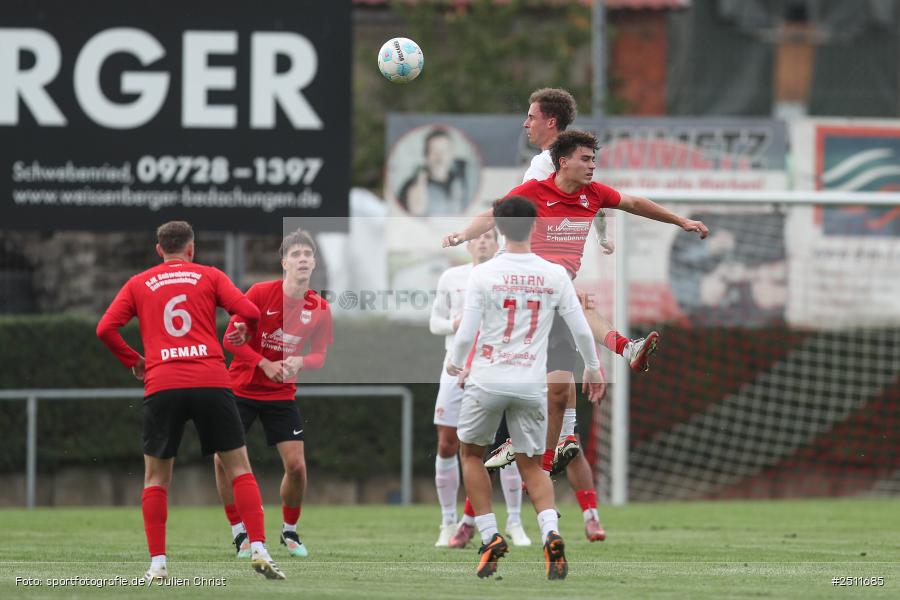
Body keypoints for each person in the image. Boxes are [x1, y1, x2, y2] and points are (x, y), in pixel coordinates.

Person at [442, 129, 709, 538]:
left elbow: (634, 203)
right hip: (531, 297)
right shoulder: (533, 190)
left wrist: (681, 220)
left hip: (557, 298)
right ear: (563, 160)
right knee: (571, 335)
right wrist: (463, 234)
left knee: (558, 387)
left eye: (593, 159)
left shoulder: (594, 194)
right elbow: (496, 213)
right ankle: (492, 503)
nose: (592, 165)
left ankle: (544, 467)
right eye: (586, 159)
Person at [95, 221, 285, 581]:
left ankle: (158, 564)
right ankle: (258, 548)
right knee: (240, 468)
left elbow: (105, 328)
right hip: (211, 381)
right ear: (192, 249)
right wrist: (246, 328)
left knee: (156, 478)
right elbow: (252, 313)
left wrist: (134, 360)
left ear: (159, 250)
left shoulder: (139, 283)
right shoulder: (209, 276)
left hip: (162, 382)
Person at [446, 196, 607, 579]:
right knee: (532, 465)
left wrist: (456, 361)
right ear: (535, 227)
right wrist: (594, 367)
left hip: (487, 379)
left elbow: (467, 331)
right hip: (530, 384)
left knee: (471, 456)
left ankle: (489, 537)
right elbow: (582, 330)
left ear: (497, 229)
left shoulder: (483, 274)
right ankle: (551, 532)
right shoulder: (553, 273)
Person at [216, 229, 333, 560]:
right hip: (240, 389)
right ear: (284, 263)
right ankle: (239, 533)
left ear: (314, 263)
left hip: (280, 394)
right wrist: (264, 362)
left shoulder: (320, 308)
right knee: (222, 461)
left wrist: (301, 360)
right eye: (296, 255)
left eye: (308, 255)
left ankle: (290, 531)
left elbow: (320, 356)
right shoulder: (258, 293)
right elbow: (229, 340)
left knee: (296, 466)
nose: (303, 260)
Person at [429, 229, 532, 548]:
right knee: (447, 443)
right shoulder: (451, 277)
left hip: (496, 367)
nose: (483, 241)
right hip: (455, 367)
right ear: (469, 243)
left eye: (490, 236)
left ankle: (514, 521)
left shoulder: (508, 277)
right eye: (478, 237)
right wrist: (454, 325)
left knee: (507, 444)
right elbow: (435, 322)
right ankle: (448, 522)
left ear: (499, 241)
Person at [398, 127, 469, 216]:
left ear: (451, 154)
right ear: (426, 155)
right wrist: (420, 181)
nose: (440, 157)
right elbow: (416, 209)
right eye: (434, 151)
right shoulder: (413, 184)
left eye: (444, 151)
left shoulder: (460, 180)